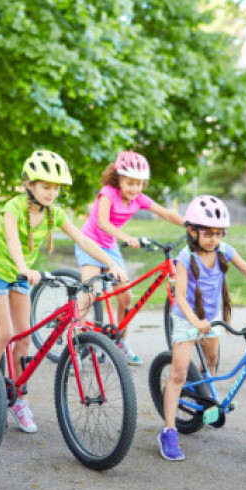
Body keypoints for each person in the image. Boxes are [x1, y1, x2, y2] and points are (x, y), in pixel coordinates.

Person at [0, 150, 128, 433]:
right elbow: (12, 241)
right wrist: (23, 267)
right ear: (29, 184)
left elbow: (83, 239)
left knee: (23, 341)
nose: (51, 193)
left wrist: (110, 263)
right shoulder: (14, 207)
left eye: (56, 188)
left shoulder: (54, 214)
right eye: (46, 187)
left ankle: (20, 400)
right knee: (4, 333)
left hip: (20, 277)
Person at [159, 195, 246, 461]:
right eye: (208, 233)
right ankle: (169, 431)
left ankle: (206, 398)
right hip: (188, 320)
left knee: (211, 362)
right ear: (191, 230)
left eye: (219, 233)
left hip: (211, 319)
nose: (214, 239)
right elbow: (181, 296)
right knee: (177, 375)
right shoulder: (186, 257)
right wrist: (194, 322)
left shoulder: (225, 251)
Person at [76, 150, 184, 365]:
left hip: (110, 247)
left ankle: (120, 342)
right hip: (88, 243)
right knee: (90, 293)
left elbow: (167, 214)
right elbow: (103, 223)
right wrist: (127, 237)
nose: (135, 188)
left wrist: (192, 225)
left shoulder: (139, 199)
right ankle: (74, 344)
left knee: (125, 298)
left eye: (139, 183)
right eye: (130, 182)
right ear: (118, 179)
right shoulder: (107, 193)